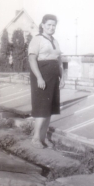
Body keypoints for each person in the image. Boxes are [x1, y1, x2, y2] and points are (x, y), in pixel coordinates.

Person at [28, 14, 65, 149]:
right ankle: (36, 138)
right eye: (48, 24)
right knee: (42, 107)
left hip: (54, 77)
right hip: (42, 76)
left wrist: (62, 78)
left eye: (53, 25)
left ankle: (43, 138)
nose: (51, 27)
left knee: (50, 108)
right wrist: (39, 77)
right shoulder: (37, 39)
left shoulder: (55, 41)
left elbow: (59, 61)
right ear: (42, 25)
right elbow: (32, 60)